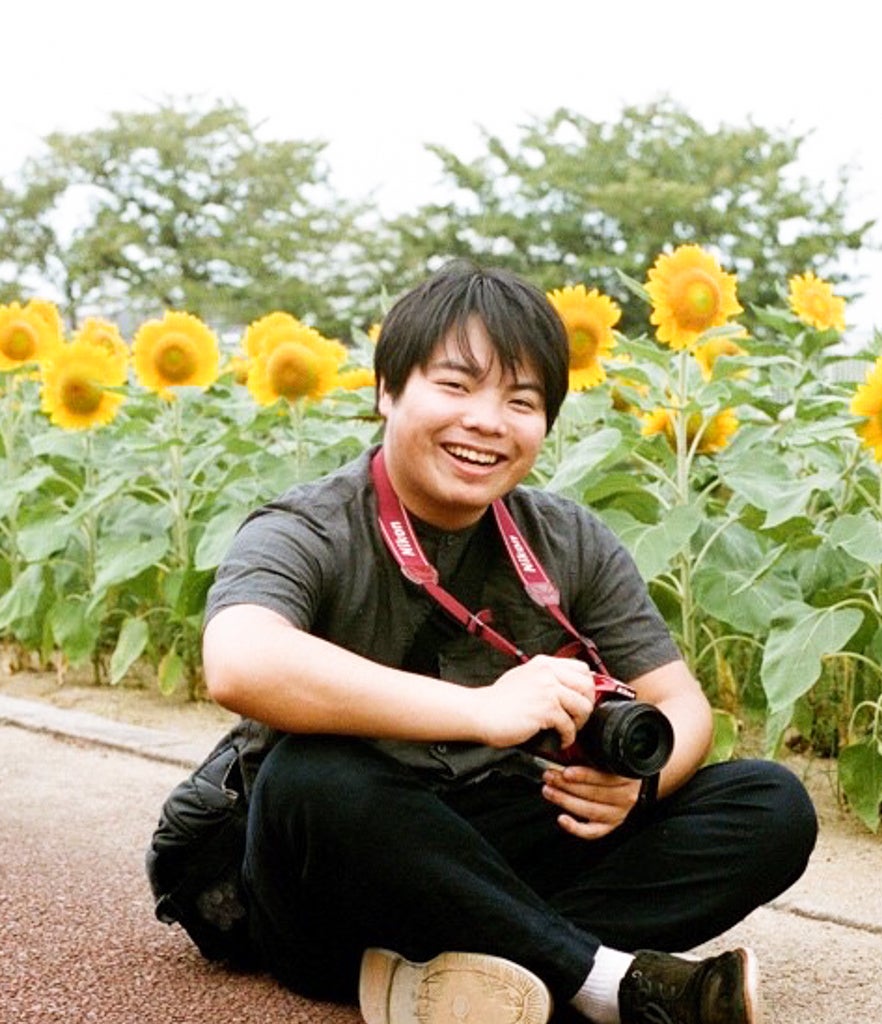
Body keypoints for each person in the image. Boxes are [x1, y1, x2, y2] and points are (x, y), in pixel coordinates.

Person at [202, 260, 818, 1024]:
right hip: (340, 874)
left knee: (771, 804)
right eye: (456, 386)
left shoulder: (567, 538)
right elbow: (240, 661)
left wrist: (639, 789)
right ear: (387, 390)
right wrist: (480, 710)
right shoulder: (310, 526)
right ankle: (603, 983)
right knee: (311, 777)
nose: (488, 422)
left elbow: (678, 701)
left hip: (495, 835)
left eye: (521, 401)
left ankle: (481, 980)